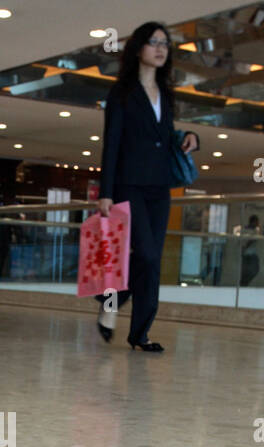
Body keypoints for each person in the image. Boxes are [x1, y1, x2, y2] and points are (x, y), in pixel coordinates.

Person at [96, 22, 198, 352]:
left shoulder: (166, 95)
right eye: (153, 42)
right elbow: (111, 144)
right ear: (139, 47)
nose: (160, 48)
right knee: (148, 254)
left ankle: (140, 333)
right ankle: (111, 301)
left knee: (151, 261)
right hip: (129, 185)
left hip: (159, 186)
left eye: (165, 44)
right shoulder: (121, 93)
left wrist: (190, 139)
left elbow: (165, 136)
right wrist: (105, 192)